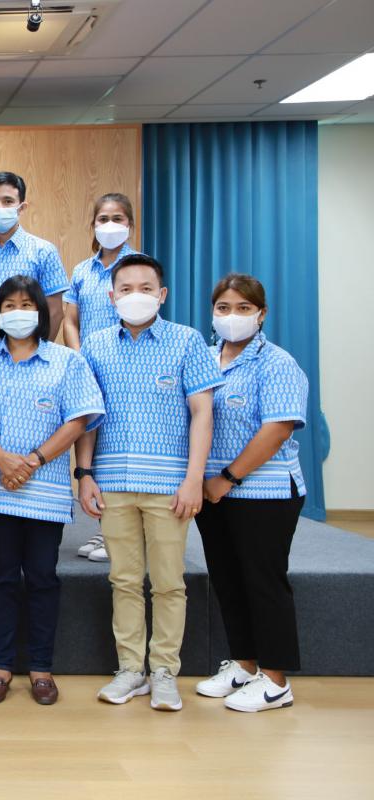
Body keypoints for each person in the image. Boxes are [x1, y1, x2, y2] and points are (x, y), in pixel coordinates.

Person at [75, 254, 223, 713]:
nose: (135, 296)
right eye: (125, 289)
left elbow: (202, 413)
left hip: (169, 486)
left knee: (168, 583)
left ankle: (163, 672)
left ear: (162, 295)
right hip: (112, 482)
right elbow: (88, 418)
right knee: (123, 580)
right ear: (111, 296)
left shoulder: (187, 341)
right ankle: (130, 669)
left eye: (145, 288)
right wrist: (84, 473)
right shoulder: (96, 345)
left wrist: (194, 479)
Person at [0, 276, 105, 706]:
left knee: (43, 578)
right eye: (9, 304)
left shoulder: (66, 361)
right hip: (0, 487)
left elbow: (79, 419)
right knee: (0, 577)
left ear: (42, 312)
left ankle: (41, 669)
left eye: (27, 304)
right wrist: (2, 458)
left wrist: (32, 461)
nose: (18, 312)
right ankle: (0, 668)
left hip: (44, 489)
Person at [194, 274, 308, 713]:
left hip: (265, 492)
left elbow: (277, 429)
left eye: (243, 308)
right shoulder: (205, 359)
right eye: (223, 308)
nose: (232, 316)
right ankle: (244, 664)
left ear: (261, 314)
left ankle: (276, 681)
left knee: (263, 582)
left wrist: (227, 477)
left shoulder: (277, 363)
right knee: (228, 579)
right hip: (213, 494)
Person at [62, 193, 139, 563]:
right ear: (92, 225)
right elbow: (70, 320)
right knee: (94, 444)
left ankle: (125, 532)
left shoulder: (139, 267)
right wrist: (79, 359)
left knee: (123, 443)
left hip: (128, 367)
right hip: (90, 366)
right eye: (103, 219)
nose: (110, 225)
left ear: (130, 225)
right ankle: (105, 526)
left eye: (118, 218)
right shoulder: (82, 271)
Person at [0, 171, 69, 346]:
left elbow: (54, 312)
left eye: (8, 201)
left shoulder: (43, 251)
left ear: (21, 207)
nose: (0, 208)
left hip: (29, 352)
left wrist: (36, 352)